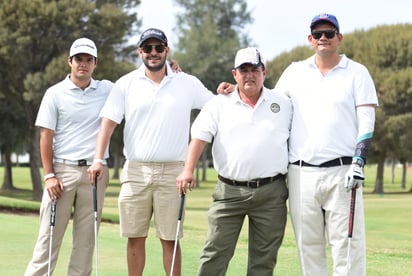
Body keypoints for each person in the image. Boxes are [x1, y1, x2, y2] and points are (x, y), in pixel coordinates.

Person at [218, 13, 378, 276]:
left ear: (339, 38)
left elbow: (366, 120)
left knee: (347, 247)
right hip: (301, 173)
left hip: (344, 172)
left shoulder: (357, 73)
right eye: (318, 34)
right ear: (310, 39)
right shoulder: (294, 72)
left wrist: (359, 161)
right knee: (309, 248)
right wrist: (235, 89)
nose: (323, 38)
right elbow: (268, 103)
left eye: (329, 33)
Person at [87, 28, 214, 276]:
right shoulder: (126, 83)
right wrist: (97, 159)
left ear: (167, 50)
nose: (153, 53)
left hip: (173, 172)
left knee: (170, 239)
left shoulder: (186, 82)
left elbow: (214, 107)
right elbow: (109, 122)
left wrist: (230, 91)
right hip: (136, 170)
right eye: (148, 48)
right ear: (140, 52)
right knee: (135, 237)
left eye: (158, 48)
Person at [176, 47, 292, 275]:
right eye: (244, 70)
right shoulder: (219, 104)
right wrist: (187, 170)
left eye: (254, 70)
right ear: (234, 74)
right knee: (215, 253)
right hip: (229, 193)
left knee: (264, 259)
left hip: (271, 193)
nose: (250, 75)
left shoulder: (283, 103)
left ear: (264, 72)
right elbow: (199, 137)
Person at [25, 37, 112, 276]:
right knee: (48, 237)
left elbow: (140, 82)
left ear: (95, 63)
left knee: (85, 242)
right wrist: (49, 175)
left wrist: (170, 67)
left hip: (95, 173)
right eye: (78, 59)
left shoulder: (107, 90)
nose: (82, 64)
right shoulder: (55, 93)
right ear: (69, 62)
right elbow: (46, 136)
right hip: (62, 173)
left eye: (88, 60)